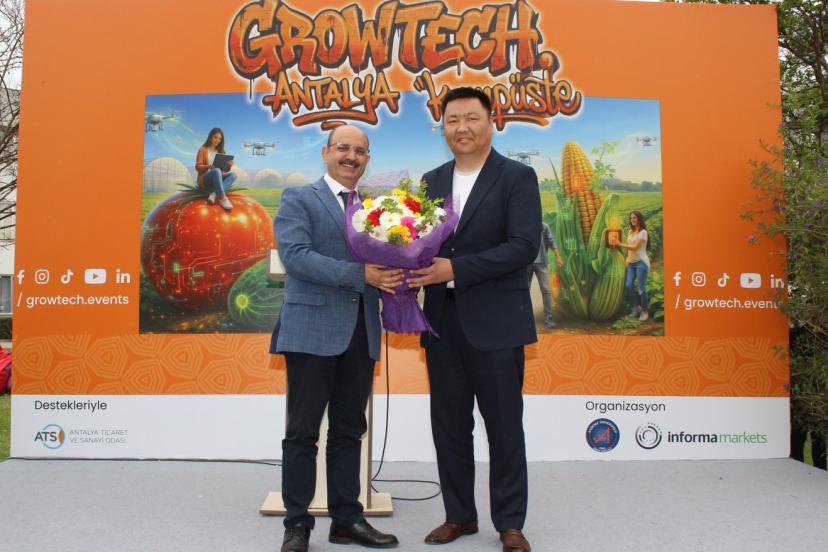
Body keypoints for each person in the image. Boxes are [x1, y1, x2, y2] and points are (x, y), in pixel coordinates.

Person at [408, 87, 541, 552]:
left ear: (491, 122)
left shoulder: (517, 177)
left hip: (497, 322)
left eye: (471, 118)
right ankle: (459, 516)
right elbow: (420, 242)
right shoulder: (431, 180)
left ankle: (510, 523)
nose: (461, 128)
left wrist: (456, 269)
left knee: (504, 427)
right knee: (449, 426)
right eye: (452, 120)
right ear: (442, 127)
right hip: (441, 322)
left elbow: (522, 247)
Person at [270, 124, 402, 552]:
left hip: (361, 331)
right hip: (311, 330)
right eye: (343, 148)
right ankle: (297, 523)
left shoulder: (378, 208)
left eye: (360, 151)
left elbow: (386, 262)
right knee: (302, 433)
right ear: (326, 153)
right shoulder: (299, 197)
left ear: (368, 159)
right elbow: (295, 256)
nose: (351, 156)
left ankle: (347, 519)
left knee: (349, 431)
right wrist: (360, 274)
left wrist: (402, 273)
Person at [610, 210, 650, 321]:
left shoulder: (643, 232)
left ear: (639, 219)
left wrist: (619, 244)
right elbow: (629, 249)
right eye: (631, 218)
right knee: (628, 286)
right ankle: (636, 308)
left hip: (641, 263)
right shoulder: (630, 231)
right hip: (631, 263)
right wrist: (627, 260)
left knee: (641, 288)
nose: (632, 220)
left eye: (635, 218)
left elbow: (635, 247)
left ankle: (644, 311)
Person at [528, 222, 564, 329]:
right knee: (525, 290)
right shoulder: (524, 225)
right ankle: (524, 318)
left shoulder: (543, 226)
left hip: (541, 263)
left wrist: (558, 257)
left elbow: (551, 242)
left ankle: (549, 318)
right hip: (526, 263)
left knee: (546, 290)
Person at [195, 127, 237, 211]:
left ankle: (214, 194)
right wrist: (208, 166)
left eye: (220, 139)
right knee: (216, 170)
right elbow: (198, 167)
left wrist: (229, 165)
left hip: (218, 176)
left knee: (233, 175)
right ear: (211, 137)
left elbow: (224, 170)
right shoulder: (203, 149)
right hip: (205, 179)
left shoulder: (221, 151)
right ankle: (222, 198)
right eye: (215, 137)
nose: (217, 140)